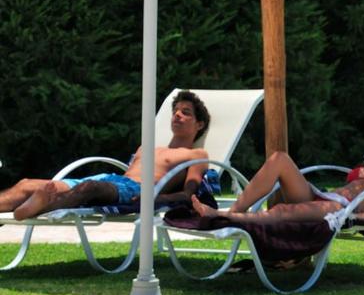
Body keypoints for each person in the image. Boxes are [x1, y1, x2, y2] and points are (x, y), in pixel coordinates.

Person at [0, 90, 211, 220]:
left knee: (89, 188)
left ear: (199, 124)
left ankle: (42, 207)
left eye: (185, 112)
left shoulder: (196, 154)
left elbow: (188, 195)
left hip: (136, 189)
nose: (177, 115)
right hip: (112, 180)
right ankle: (37, 203)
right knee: (27, 184)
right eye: (175, 111)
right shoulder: (147, 148)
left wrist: (156, 197)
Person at [190, 113, 364, 232]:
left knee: (282, 210)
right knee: (279, 159)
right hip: (326, 196)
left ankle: (223, 217)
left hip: (340, 209)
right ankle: (234, 211)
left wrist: (356, 218)